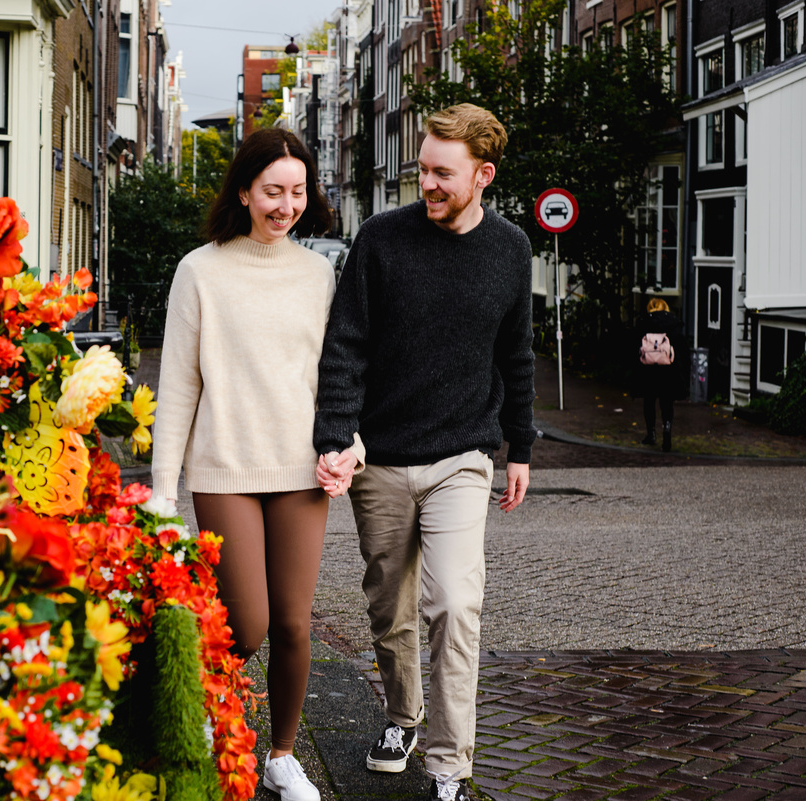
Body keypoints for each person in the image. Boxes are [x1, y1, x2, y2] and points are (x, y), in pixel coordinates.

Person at [313, 104, 536, 801]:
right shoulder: (381, 240)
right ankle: (402, 715)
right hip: (380, 457)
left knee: (455, 601)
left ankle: (448, 765)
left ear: (483, 174)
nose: (428, 183)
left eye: (444, 172)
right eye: (422, 169)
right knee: (390, 603)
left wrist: (520, 446)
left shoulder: (511, 249)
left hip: (461, 457)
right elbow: (345, 344)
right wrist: (334, 435)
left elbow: (517, 354)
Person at [151, 127, 362, 801]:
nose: (286, 205)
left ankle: (279, 755)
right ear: (244, 191)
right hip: (224, 468)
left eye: (298, 192)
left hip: (301, 470)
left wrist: (348, 441)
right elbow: (180, 385)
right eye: (273, 191)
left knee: (296, 623)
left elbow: (339, 373)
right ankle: (208, 709)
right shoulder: (199, 271)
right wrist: (162, 489)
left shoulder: (317, 271)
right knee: (248, 620)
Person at [634, 297, 686, 451]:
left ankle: (651, 434)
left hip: (648, 370)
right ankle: (667, 430)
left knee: (649, 402)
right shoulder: (673, 323)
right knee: (667, 403)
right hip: (668, 370)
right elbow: (680, 348)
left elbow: (635, 345)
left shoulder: (644, 322)